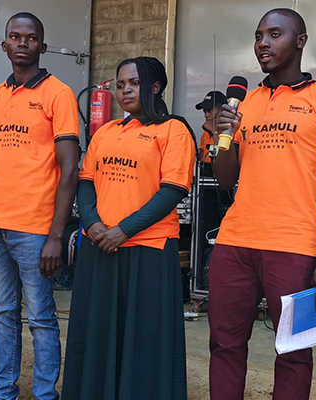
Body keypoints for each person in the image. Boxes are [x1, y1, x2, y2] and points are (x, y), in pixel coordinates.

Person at [208, 9, 316, 400]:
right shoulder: (244, 104)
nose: (263, 43)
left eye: (275, 34)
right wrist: (223, 135)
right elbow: (225, 178)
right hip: (235, 241)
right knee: (224, 345)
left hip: (293, 245)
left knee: (292, 351)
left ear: (300, 41)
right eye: (258, 36)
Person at [62, 56, 195, 400]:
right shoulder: (105, 132)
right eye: (120, 84)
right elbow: (86, 180)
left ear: (155, 87)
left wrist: (124, 229)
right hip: (100, 247)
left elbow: (172, 190)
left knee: (144, 339)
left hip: (148, 250)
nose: (125, 90)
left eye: (133, 83)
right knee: (97, 334)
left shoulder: (174, 130)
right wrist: (91, 224)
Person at [0, 12, 79, 400]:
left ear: (42, 45)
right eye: (15, 37)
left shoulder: (58, 94)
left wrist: (56, 235)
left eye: (31, 37)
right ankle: (3, 391)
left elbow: (69, 170)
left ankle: (43, 395)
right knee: (3, 314)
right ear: (4, 45)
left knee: (40, 317)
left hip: (35, 229)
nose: (22, 43)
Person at [195, 90, 226, 174]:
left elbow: (225, 157)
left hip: (222, 179)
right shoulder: (206, 133)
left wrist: (213, 131)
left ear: (222, 109)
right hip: (204, 179)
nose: (206, 115)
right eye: (204, 111)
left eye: (210, 110)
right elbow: (201, 160)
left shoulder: (230, 130)